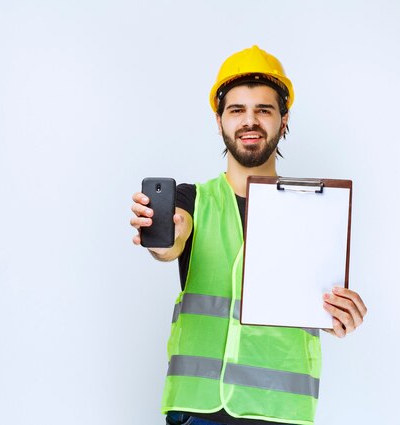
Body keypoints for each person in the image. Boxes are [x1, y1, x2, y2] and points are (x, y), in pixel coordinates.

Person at [130, 45, 367, 425]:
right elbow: (172, 242)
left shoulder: (315, 211)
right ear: (219, 121)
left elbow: (322, 302)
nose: (249, 121)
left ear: (284, 120)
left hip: (281, 412)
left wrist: (342, 314)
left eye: (264, 110)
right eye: (237, 110)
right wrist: (165, 238)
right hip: (199, 410)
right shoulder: (193, 200)